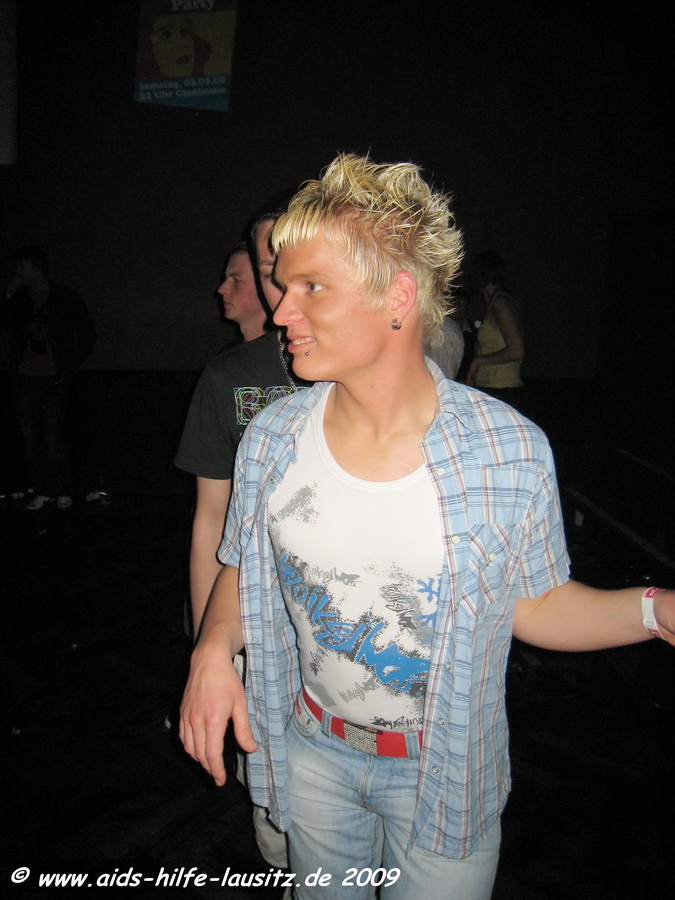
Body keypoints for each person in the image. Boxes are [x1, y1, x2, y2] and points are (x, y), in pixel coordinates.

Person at [179, 155, 675, 900]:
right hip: (311, 754)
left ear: (398, 297)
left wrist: (654, 611)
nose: (282, 313)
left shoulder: (506, 449)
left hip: (443, 770)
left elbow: (535, 605)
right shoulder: (273, 438)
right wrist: (212, 650)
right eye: (285, 286)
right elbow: (246, 568)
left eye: (312, 287)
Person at [175, 223, 306, 871]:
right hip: (258, 616)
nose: (223, 289)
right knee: (277, 803)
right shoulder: (229, 375)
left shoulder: (344, 369)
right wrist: (210, 642)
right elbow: (212, 521)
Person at [1, 246, 96, 510]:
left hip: (54, 377)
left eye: (23, 266)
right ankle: (42, 490)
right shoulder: (20, 299)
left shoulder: (64, 297)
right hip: (24, 377)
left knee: (53, 436)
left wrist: (69, 367)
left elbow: (87, 334)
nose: (18, 272)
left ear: (38, 268)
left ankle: (64, 490)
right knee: (31, 438)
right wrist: (8, 295)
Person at [465, 250, 524, 406]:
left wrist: (477, 361)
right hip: (492, 387)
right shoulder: (493, 302)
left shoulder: (500, 303)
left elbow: (517, 351)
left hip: (502, 389)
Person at [424, 291, 464, 379]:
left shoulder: (443, 329)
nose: (457, 306)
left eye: (462, 302)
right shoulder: (442, 328)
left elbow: (441, 377)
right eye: (453, 301)